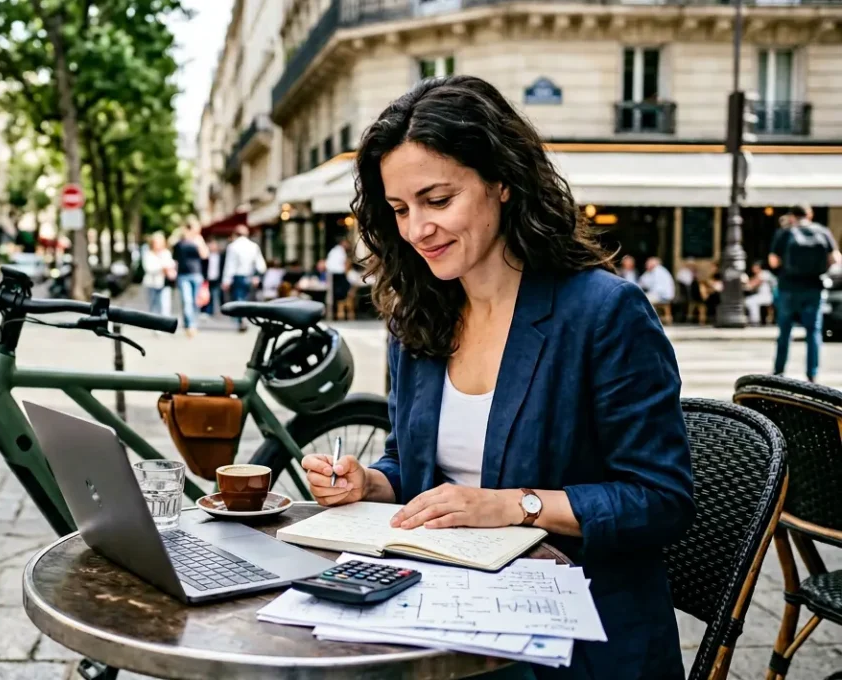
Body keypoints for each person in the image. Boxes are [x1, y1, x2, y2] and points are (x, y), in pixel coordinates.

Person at [301, 75, 694, 679]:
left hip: (576, 640)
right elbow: (412, 465)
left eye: (437, 201)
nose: (415, 230)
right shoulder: (418, 313)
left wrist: (515, 506)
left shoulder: (603, 313)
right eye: (400, 209)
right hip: (444, 610)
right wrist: (369, 486)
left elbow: (661, 500)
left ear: (502, 182)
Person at [769, 204, 839, 382]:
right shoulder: (822, 232)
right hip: (814, 287)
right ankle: (812, 373)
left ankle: (779, 371)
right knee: (813, 331)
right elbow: (836, 258)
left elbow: (773, 261)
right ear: (810, 214)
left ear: (792, 216)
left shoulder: (785, 233)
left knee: (785, 331)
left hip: (788, 287)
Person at [221, 225, 266, 331]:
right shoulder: (253, 246)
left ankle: (241, 320)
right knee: (247, 299)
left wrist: (226, 281)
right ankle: (245, 319)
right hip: (250, 277)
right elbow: (261, 265)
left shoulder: (233, 246)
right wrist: (257, 277)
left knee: (239, 300)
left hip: (238, 277)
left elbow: (230, 265)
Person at [171, 223, 209, 337]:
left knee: (195, 302)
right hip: (183, 275)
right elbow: (175, 259)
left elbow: (205, 255)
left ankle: (193, 323)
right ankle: (189, 325)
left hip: (196, 274)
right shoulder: (179, 243)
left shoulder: (198, 242)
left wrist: (200, 242)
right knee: (187, 301)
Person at [142, 232, 176, 319]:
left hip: (164, 282)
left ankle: (165, 322)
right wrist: (162, 267)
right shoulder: (148, 253)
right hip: (152, 283)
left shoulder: (166, 253)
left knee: (165, 304)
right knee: (153, 304)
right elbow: (148, 268)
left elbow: (171, 264)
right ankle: (154, 322)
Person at [744, 261, 777, 326]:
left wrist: (746, 283)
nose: (753, 269)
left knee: (750, 301)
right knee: (749, 300)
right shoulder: (759, 274)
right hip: (763, 296)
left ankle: (755, 321)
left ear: (758, 267)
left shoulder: (764, 273)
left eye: (754, 267)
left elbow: (753, 283)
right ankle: (754, 319)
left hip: (769, 296)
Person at [326, 236, 352, 314]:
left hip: (333, 275)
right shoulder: (340, 251)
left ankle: (336, 310)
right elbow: (344, 265)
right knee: (343, 291)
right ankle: (339, 309)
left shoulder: (334, 250)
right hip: (338, 275)